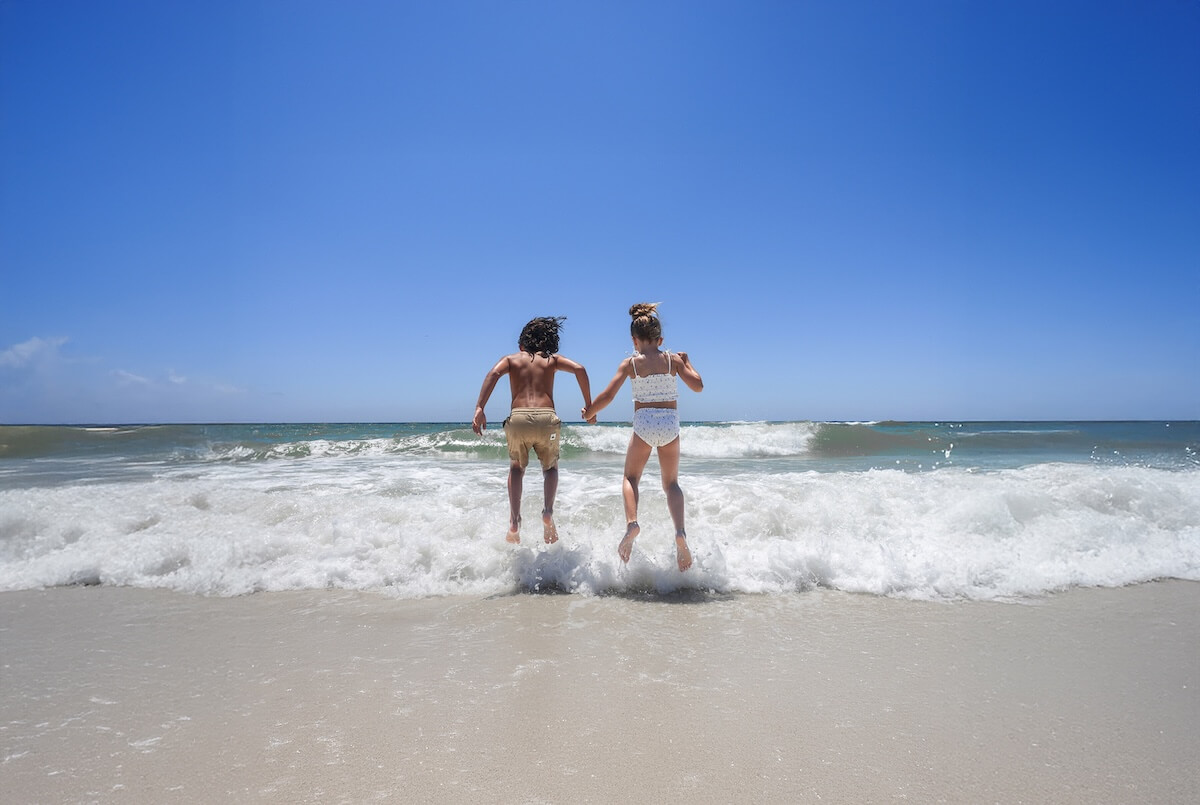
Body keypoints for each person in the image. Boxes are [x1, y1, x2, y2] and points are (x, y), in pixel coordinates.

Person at [581, 303, 703, 571]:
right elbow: (697, 386)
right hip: (670, 425)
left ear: (634, 341)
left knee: (630, 478)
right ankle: (680, 532)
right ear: (661, 339)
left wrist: (590, 411)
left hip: (644, 424)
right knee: (671, 484)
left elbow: (608, 396)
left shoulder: (631, 364)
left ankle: (632, 523)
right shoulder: (674, 360)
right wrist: (688, 361)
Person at [473, 316, 593, 545]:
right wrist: (589, 405)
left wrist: (480, 407)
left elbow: (493, 374)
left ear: (521, 344)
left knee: (517, 469)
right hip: (547, 417)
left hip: (518, 418)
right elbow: (580, 369)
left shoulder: (510, 359)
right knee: (550, 468)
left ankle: (515, 519)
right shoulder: (552, 360)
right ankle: (547, 511)